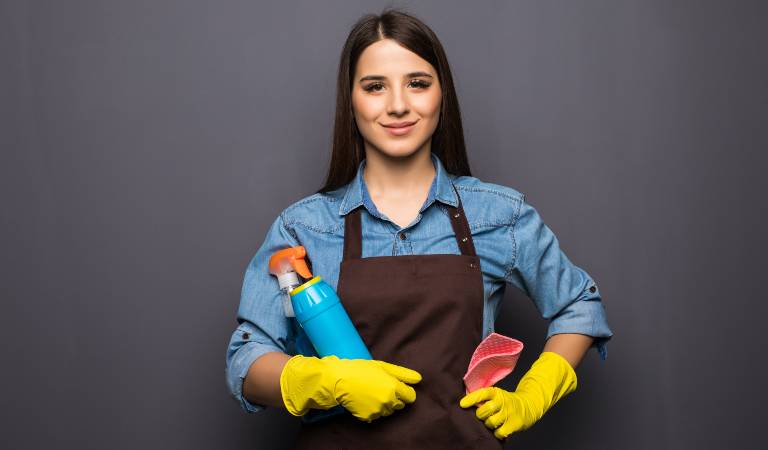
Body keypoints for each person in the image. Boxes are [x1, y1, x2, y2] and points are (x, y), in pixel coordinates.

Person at [225, 8, 613, 449]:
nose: (397, 105)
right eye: (375, 86)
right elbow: (246, 360)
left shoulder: (498, 215)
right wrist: (325, 381)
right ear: (351, 101)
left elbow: (579, 304)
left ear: (441, 95)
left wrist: (533, 395)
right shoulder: (304, 228)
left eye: (418, 83)